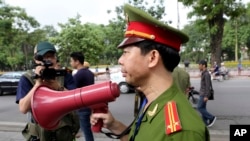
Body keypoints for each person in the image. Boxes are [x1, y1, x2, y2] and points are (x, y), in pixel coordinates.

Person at [90, 4, 209, 141]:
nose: (120, 60)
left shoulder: (182, 131)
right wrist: (114, 125)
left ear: (152, 58)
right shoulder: (150, 102)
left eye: (125, 53)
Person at [16, 41, 79, 141]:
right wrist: (38, 84)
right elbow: (23, 108)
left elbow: (76, 101)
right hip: (39, 135)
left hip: (64, 133)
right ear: (36, 60)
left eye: (51, 56)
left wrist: (58, 87)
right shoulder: (27, 78)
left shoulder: (64, 75)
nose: (48, 60)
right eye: (44, 57)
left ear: (55, 58)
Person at [70, 52, 94, 141]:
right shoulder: (89, 73)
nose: (70, 63)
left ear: (77, 62)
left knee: (86, 132)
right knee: (87, 130)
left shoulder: (78, 75)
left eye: (71, 61)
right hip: (89, 105)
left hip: (82, 107)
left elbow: (72, 91)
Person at [198, 60, 216, 127]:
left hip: (204, 94)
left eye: (199, 65)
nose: (198, 67)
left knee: (199, 107)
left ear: (203, 65)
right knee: (203, 108)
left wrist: (206, 96)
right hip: (202, 93)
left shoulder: (206, 74)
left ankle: (211, 117)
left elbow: (208, 86)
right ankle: (205, 123)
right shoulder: (203, 73)